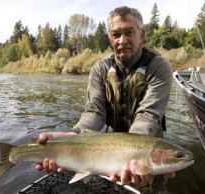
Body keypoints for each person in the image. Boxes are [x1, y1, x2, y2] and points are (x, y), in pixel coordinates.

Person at [35, 6, 174, 185]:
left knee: (142, 183)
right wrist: (73, 134)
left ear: (142, 34)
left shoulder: (158, 67)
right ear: (110, 38)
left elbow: (148, 115)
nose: (123, 40)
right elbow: (94, 113)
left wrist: (134, 154)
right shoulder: (100, 69)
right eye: (116, 35)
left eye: (129, 32)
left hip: (147, 143)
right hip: (109, 143)